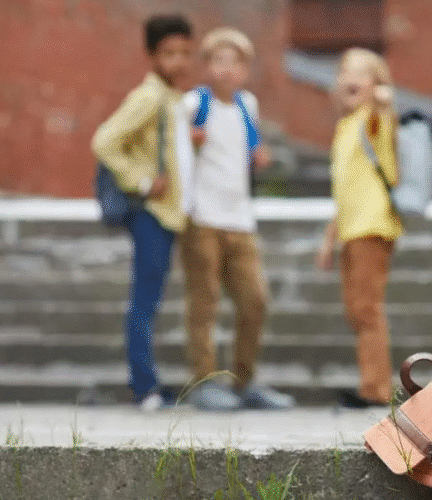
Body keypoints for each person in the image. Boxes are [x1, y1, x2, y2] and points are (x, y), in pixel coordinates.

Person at [177, 27, 294, 411]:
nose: (226, 70)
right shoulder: (194, 104)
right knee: (204, 301)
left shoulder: (248, 104)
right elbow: (176, 155)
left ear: (245, 69)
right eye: (218, 61)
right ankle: (205, 381)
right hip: (202, 217)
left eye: (234, 62)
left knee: (255, 300)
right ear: (207, 67)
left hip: (240, 219)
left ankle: (245, 380)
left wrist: (259, 155)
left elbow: (247, 147)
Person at [92, 14, 192, 411]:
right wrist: (144, 181)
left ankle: (148, 382)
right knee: (144, 300)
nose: (179, 61)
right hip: (151, 213)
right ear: (151, 55)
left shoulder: (171, 97)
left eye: (185, 53)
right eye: (169, 53)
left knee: (150, 298)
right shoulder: (149, 96)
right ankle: (144, 387)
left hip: (168, 215)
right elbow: (105, 141)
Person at [316, 48, 401, 408]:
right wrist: (328, 239)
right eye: (345, 72)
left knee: (366, 308)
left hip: (372, 226)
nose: (351, 79)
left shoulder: (373, 120)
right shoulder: (344, 126)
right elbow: (344, 190)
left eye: (362, 73)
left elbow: (384, 116)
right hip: (350, 229)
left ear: (376, 83)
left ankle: (376, 389)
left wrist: (383, 100)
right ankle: (371, 382)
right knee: (356, 310)